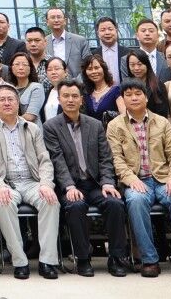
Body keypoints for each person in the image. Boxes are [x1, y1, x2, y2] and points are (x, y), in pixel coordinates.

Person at [105, 80, 171, 278]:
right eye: (128, 95)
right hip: (136, 181)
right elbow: (116, 158)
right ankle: (149, 260)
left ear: (146, 97)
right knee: (135, 201)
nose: (133, 98)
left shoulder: (162, 122)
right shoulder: (115, 126)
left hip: (164, 179)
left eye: (138, 93)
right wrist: (130, 179)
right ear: (122, 99)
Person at [41, 78, 131, 277]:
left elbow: (105, 158)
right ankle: (83, 258)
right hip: (71, 185)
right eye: (66, 96)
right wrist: (69, 186)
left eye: (75, 96)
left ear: (81, 99)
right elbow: (57, 160)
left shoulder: (95, 125)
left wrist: (107, 182)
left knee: (115, 203)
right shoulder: (50, 127)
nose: (70, 100)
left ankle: (116, 257)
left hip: (95, 183)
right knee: (75, 206)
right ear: (59, 99)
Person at [0, 84, 60, 280]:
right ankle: (20, 261)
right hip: (6, 183)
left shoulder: (32, 128)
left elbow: (44, 160)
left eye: (11, 99)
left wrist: (45, 184)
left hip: (32, 182)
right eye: (2, 100)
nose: (7, 103)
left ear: (18, 103)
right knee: (3, 203)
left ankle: (47, 261)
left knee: (51, 201)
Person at [125, 48, 171, 118]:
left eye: (139, 64)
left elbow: (162, 114)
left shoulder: (158, 86)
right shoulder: (125, 86)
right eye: (132, 65)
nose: (136, 68)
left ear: (147, 64)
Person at [44, 7, 87, 78]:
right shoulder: (43, 43)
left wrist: (77, 82)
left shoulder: (80, 40)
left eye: (59, 17)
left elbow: (88, 65)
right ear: (47, 22)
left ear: (65, 21)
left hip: (77, 83)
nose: (56, 20)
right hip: (51, 83)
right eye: (53, 17)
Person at [80, 54, 124, 121]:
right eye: (89, 69)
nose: (94, 72)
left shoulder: (116, 91)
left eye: (96, 68)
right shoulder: (85, 93)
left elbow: (124, 116)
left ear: (104, 69)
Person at [133, 19, 171, 84]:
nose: (147, 34)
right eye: (143, 31)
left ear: (158, 36)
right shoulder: (127, 59)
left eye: (151, 31)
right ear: (137, 36)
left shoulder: (167, 58)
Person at [7, 52, 44, 122]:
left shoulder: (36, 87)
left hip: (30, 127)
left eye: (24, 65)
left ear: (30, 68)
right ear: (11, 67)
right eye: (17, 64)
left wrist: (9, 121)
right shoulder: (8, 88)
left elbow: (30, 116)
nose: (21, 68)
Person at [92, 17, 129, 85]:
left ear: (116, 31)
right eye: (103, 30)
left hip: (125, 90)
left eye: (110, 29)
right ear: (98, 34)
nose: (107, 33)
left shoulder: (128, 53)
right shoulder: (93, 55)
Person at [38, 57, 68, 122]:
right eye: (49, 70)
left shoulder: (73, 91)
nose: (53, 72)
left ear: (65, 72)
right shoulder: (45, 94)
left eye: (57, 69)